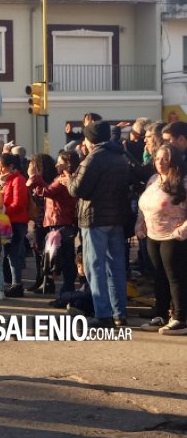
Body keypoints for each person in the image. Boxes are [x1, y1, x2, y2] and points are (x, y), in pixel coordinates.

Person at [67, 120, 131, 328]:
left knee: (95, 267)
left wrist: (69, 178)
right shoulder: (120, 155)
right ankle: (119, 313)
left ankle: (103, 314)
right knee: (116, 267)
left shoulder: (94, 157)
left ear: (90, 139)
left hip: (94, 218)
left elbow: (78, 190)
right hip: (117, 218)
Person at [136, 145, 187, 335]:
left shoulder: (182, 182)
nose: (160, 162)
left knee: (175, 278)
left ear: (174, 160)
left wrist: (182, 230)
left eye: (165, 158)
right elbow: (144, 205)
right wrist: (139, 224)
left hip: (173, 237)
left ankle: (180, 318)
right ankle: (161, 315)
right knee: (159, 277)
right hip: (152, 236)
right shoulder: (153, 180)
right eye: (157, 158)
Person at [28, 151, 78, 296]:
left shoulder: (64, 181)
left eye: (60, 162)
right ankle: (64, 288)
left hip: (61, 220)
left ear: (67, 164)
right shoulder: (62, 179)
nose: (57, 164)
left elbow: (46, 191)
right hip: (59, 220)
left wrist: (35, 176)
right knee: (58, 256)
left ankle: (67, 289)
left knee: (64, 257)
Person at [0, 153, 29, 297]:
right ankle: (14, 282)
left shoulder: (19, 180)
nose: (0, 171)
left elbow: (18, 203)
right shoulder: (9, 180)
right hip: (9, 221)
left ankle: (17, 284)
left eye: (2, 168)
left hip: (17, 221)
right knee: (10, 253)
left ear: (10, 167)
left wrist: (4, 210)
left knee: (14, 252)